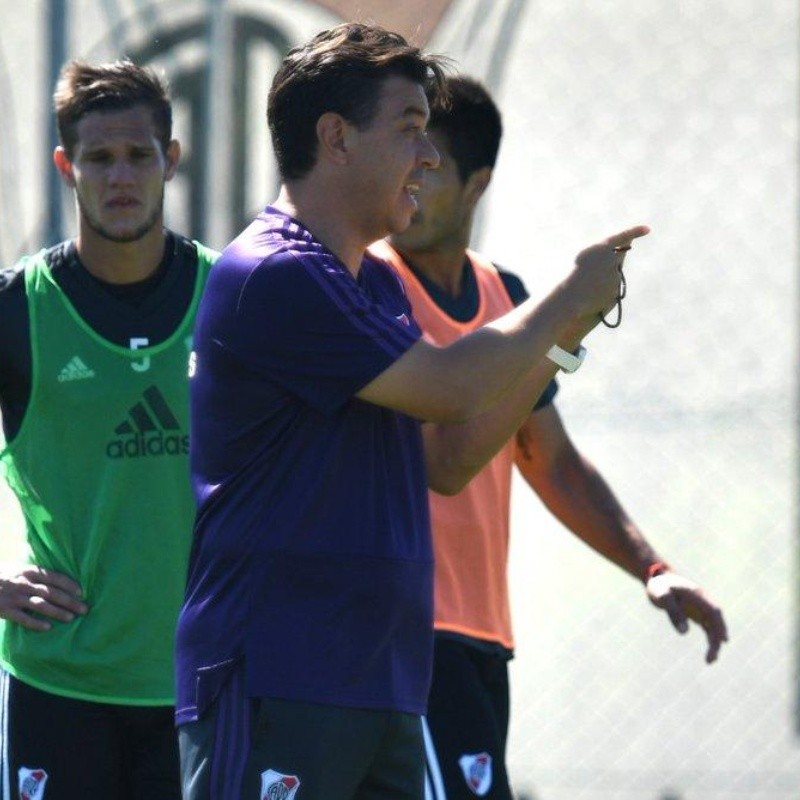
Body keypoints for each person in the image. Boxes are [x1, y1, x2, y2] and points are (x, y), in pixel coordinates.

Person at [175, 22, 649, 800]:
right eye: (409, 129)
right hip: (280, 675)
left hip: (382, 683)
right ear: (336, 138)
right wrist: (565, 299)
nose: (427, 156)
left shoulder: (373, 281)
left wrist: (563, 343)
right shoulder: (274, 271)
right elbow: (449, 383)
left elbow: (449, 459)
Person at [369, 75, 729, 800]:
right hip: (395, 633)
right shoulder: (366, 284)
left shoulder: (504, 295)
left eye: (431, 162)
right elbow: (445, 459)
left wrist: (652, 567)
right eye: (405, 155)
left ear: (479, 184)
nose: (412, 176)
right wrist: (565, 331)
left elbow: (549, 460)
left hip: (480, 636)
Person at [0, 59, 217, 799]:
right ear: (67, 165)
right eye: (98, 158)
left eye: (138, 155)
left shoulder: (232, 296)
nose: (119, 176)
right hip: (62, 684)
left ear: (171, 160)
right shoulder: (16, 310)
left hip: (203, 686)